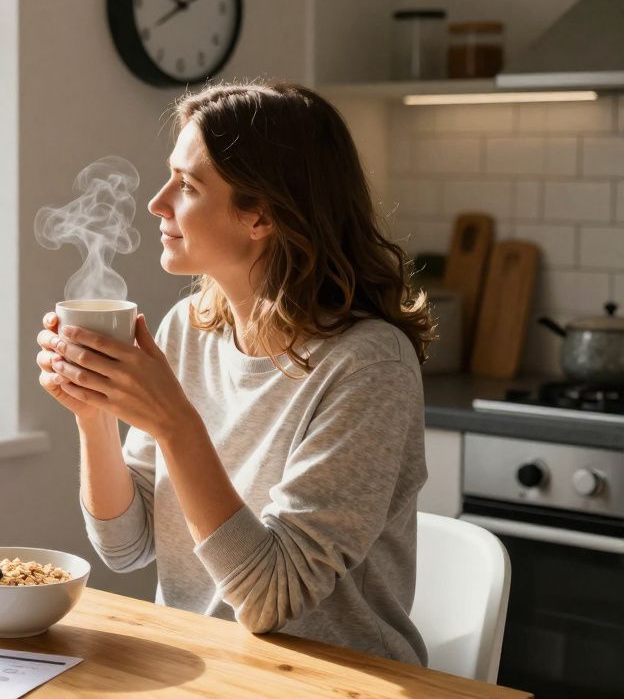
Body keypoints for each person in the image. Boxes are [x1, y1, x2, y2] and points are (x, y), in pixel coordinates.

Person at [36, 82, 434, 666]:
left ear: (262, 215)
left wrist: (174, 424)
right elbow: (125, 546)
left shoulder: (368, 365)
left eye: (188, 185)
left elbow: (271, 600)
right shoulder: (187, 329)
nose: (158, 202)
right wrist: (93, 412)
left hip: (329, 679)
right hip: (199, 664)